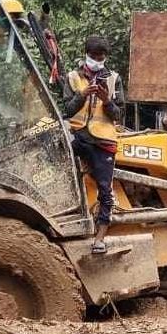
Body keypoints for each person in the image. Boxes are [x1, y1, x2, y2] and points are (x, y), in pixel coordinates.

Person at [61, 35, 123, 255]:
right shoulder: (73, 77)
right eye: (94, 56)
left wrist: (107, 101)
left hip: (102, 141)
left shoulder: (113, 79)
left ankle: (99, 238)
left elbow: (118, 114)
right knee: (61, 175)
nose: (97, 60)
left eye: (101, 57)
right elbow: (67, 110)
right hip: (78, 136)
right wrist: (82, 95)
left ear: (105, 57)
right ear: (86, 54)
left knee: (105, 190)